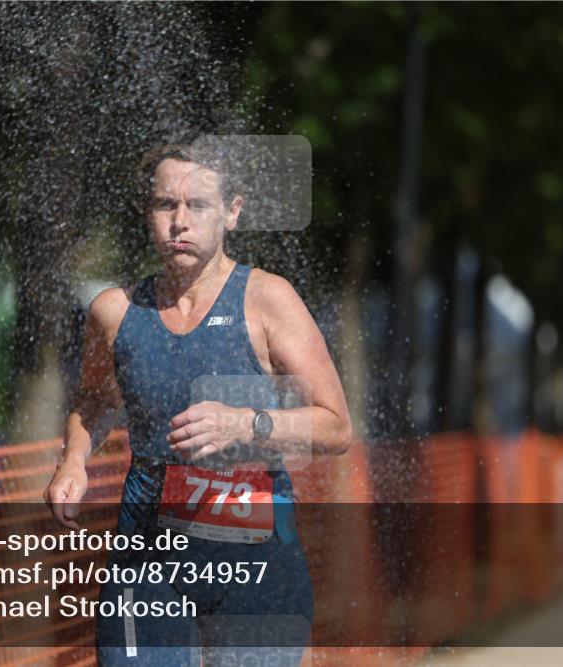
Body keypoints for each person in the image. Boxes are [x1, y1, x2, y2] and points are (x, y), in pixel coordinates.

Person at [45, 142, 353, 666]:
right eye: (166, 205)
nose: (180, 222)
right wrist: (73, 459)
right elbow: (95, 401)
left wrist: (246, 423)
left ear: (232, 212)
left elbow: (335, 427)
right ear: (148, 214)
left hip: (255, 565)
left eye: (198, 206)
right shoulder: (115, 312)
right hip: (147, 561)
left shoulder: (266, 300)